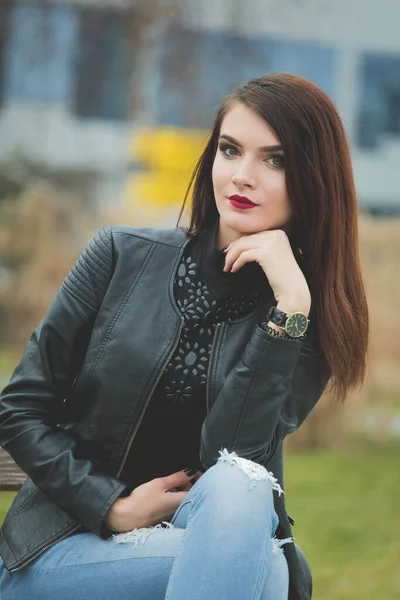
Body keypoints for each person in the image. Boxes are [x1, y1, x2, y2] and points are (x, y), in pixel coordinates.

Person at [0, 72, 368, 600]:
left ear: (314, 178)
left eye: (275, 159)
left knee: (241, 485)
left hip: (201, 538)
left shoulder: (305, 312)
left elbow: (235, 454)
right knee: (263, 569)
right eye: (230, 149)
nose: (242, 176)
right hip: (62, 548)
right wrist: (111, 504)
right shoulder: (119, 256)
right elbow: (19, 407)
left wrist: (288, 309)